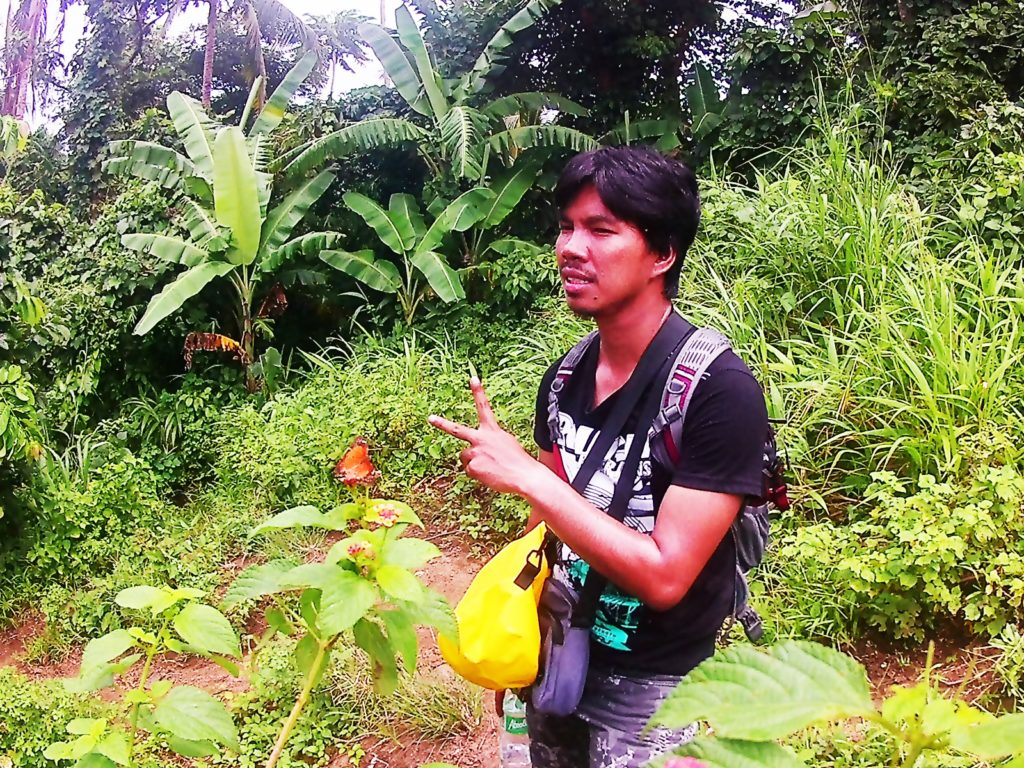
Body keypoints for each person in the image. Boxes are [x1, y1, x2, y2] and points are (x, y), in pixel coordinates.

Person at [428, 145, 770, 768]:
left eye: (601, 230)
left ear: (662, 253)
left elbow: (667, 576)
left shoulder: (716, 390)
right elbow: (546, 525)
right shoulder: (564, 378)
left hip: (656, 687)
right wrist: (521, 629)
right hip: (557, 656)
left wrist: (532, 479)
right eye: (566, 227)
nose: (570, 248)